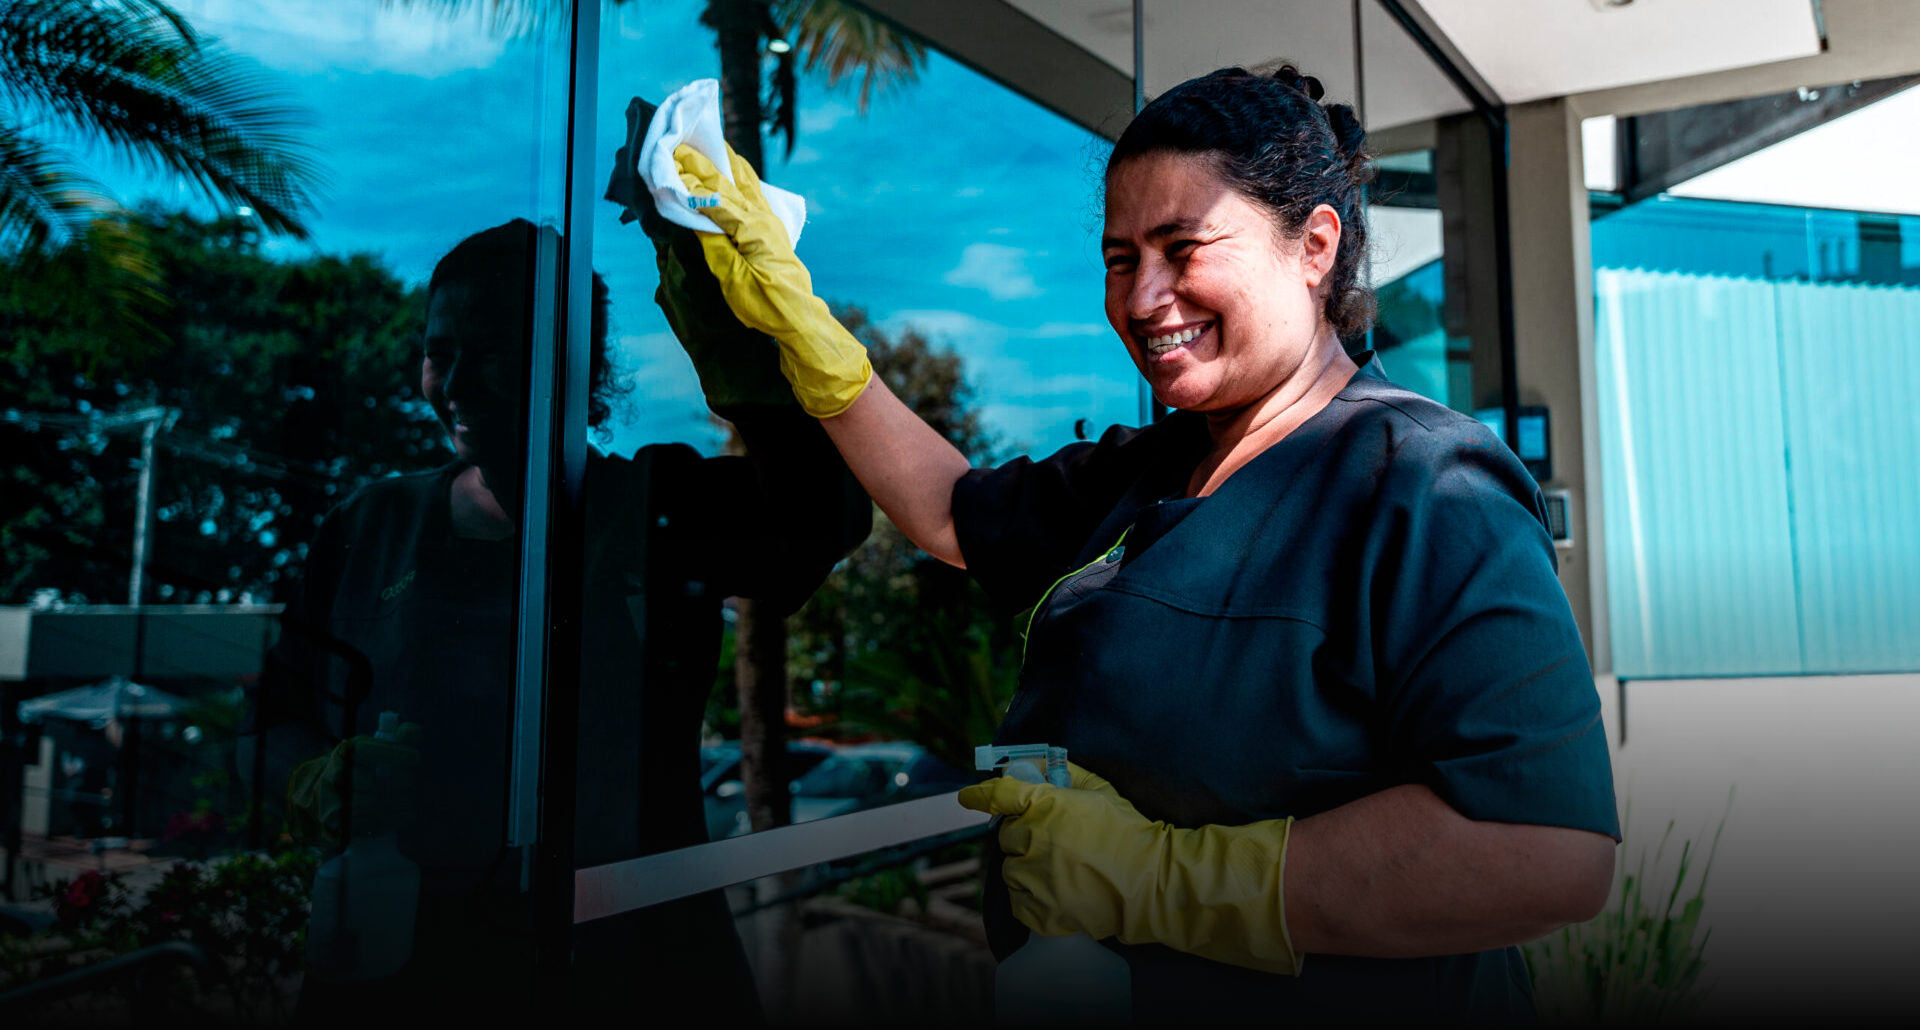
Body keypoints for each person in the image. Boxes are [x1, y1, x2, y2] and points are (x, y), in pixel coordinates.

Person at [666, 65, 1620, 1020]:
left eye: (1184, 246)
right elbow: (952, 512)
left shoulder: (1426, 485)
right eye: (1122, 259)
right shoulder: (1147, 470)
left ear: (1314, 247)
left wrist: (1163, 879)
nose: (1144, 297)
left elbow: (1546, 850)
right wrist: (805, 328)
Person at [245, 211, 869, 1021]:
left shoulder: (651, 510)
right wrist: (312, 781)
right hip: (394, 971)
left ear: (575, 365)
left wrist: (706, 290)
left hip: (623, 963)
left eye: (496, 353)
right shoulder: (368, 529)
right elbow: (270, 720)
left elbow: (827, 511)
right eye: (440, 353)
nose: (459, 382)